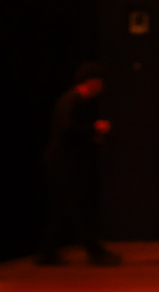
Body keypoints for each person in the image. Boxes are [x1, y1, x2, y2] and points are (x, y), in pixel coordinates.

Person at [37, 62, 117, 265]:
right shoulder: (72, 101)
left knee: (63, 208)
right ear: (90, 81)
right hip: (63, 163)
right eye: (100, 82)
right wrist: (94, 128)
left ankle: (47, 253)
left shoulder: (81, 102)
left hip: (67, 162)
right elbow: (68, 128)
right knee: (78, 205)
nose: (102, 87)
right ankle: (94, 252)